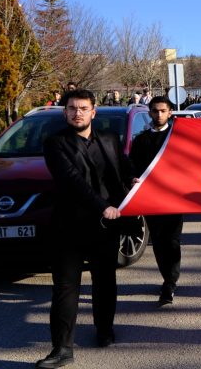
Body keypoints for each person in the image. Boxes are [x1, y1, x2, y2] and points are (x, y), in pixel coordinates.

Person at [37, 89, 132, 368]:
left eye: (83, 107)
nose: (77, 112)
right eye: (71, 108)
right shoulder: (54, 144)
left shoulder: (109, 139)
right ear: (64, 112)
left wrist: (136, 177)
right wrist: (102, 205)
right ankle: (62, 349)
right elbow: (71, 180)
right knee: (65, 289)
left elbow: (122, 170)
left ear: (94, 111)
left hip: (106, 227)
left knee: (105, 282)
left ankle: (105, 330)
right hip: (69, 228)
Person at [129, 96, 183, 306]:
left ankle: (170, 281)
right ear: (149, 113)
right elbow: (132, 165)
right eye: (155, 111)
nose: (159, 114)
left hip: (174, 198)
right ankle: (167, 276)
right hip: (151, 199)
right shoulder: (141, 140)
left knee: (172, 240)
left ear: (170, 112)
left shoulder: (178, 137)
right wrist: (132, 177)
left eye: (163, 111)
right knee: (159, 242)